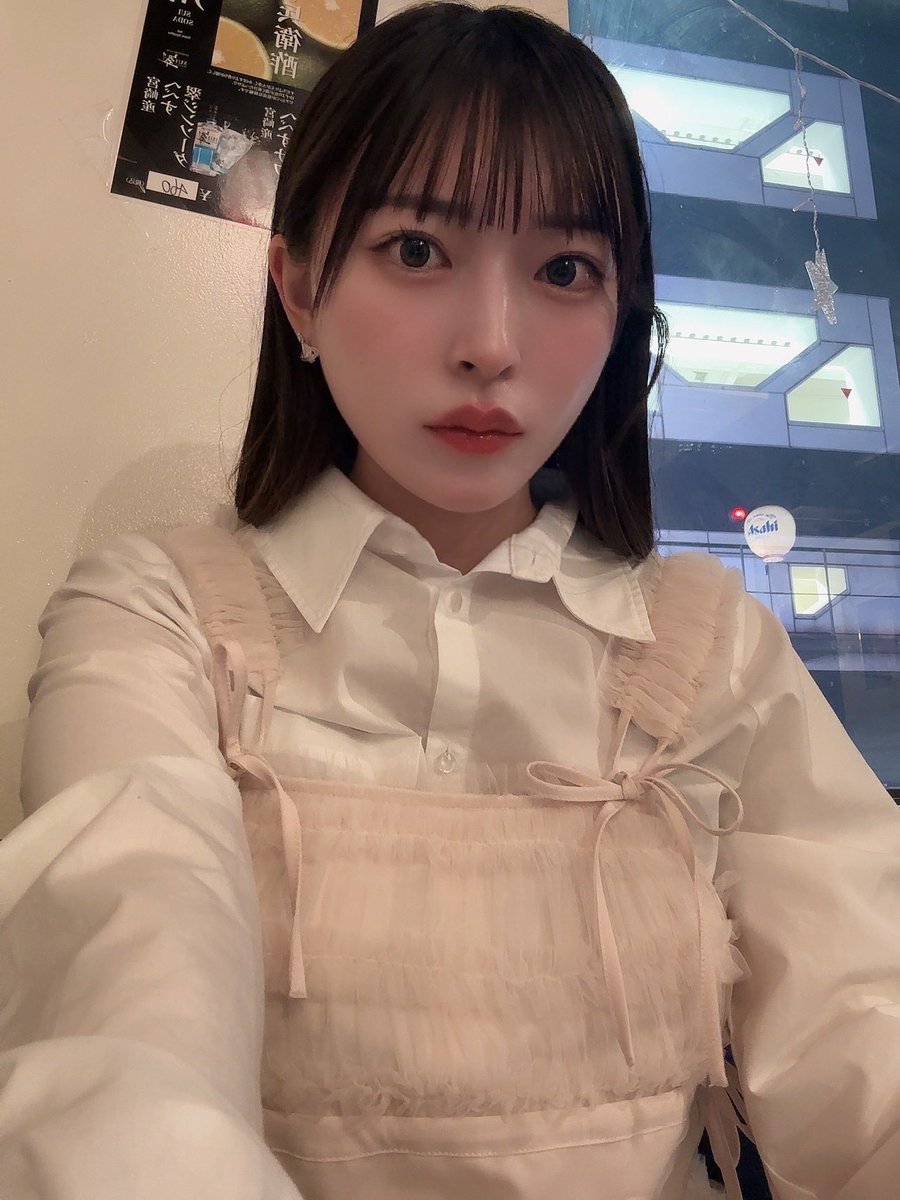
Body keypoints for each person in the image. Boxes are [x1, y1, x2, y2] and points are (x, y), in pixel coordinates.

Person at [2, 3, 898, 1198]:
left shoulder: (711, 649)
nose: (490, 344)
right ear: (300, 287)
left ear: (621, 316)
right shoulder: (158, 619)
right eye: (417, 250)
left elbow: (866, 1036)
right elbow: (122, 1034)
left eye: (565, 270)